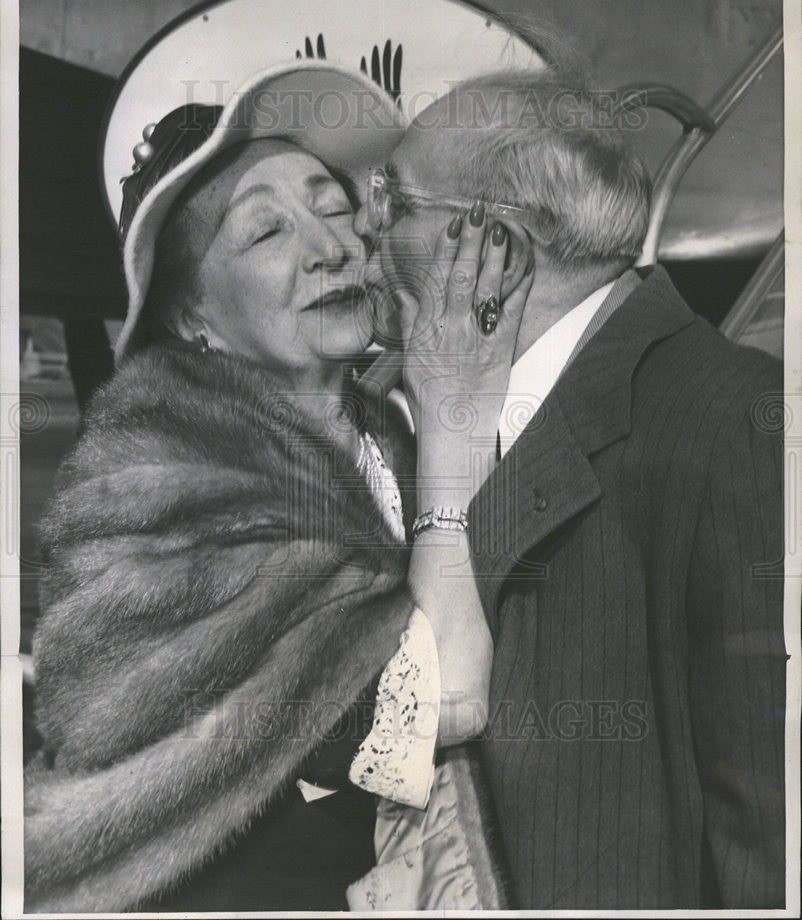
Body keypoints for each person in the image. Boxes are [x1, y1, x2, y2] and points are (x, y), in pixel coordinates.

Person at [23, 63, 532, 912]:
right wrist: (455, 419)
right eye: (266, 234)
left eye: (333, 209)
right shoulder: (148, 474)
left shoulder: (386, 434)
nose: (330, 247)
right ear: (192, 319)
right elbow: (424, 716)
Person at [357, 66, 786, 909]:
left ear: (498, 247)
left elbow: (770, 822)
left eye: (394, 203)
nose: (363, 234)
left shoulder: (733, 419)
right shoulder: (396, 404)